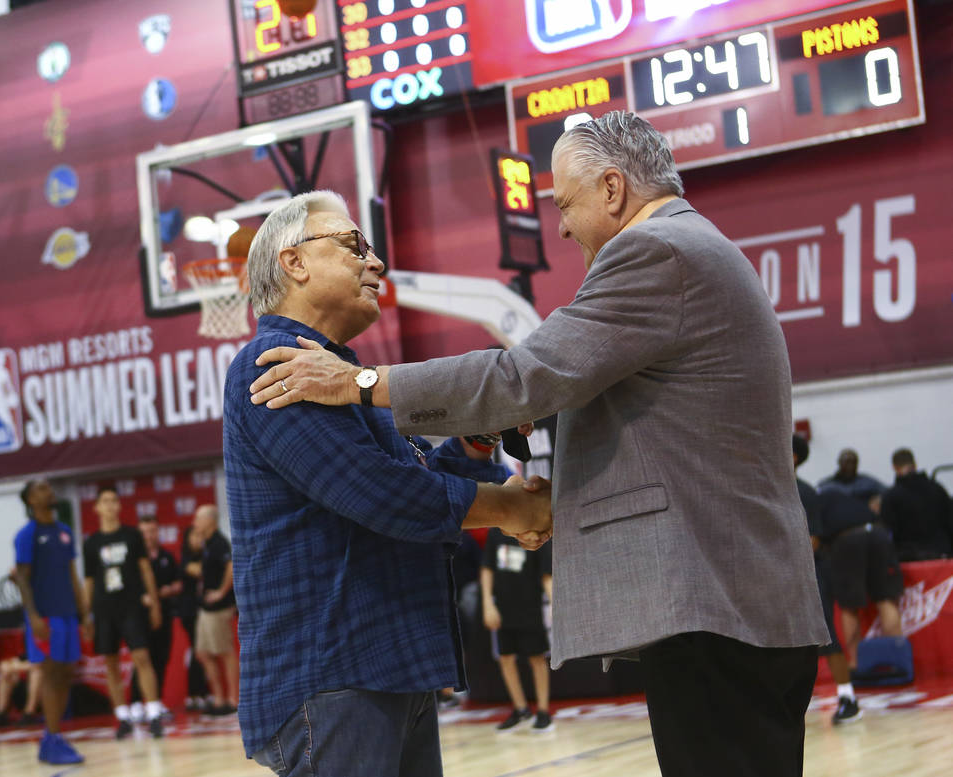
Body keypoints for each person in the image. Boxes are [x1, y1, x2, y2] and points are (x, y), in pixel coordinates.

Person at [249, 113, 830, 777]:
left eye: (565, 204)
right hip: (738, 600)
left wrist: (364, 382)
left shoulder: (657, 251)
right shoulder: (276, 367)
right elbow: (391, 483)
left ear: (612, 189)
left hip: (716, 605)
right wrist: (499, 468)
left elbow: (522, 378)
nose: (559, 226)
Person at [223, 190, 552, 776]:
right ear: (293, 262)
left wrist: (479, 439)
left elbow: (416, 479)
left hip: (386, 669)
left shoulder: (340, 375)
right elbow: (381, 495)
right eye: (354, 245)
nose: (375, 263)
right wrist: (509, 505)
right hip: (332, 677)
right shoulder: (272, 363)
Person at [13, 479, 87, 764]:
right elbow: (22, 578)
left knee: (66, 673)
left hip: (68, 613)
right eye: (42, 489)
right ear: (31, 500)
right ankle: (53, 737)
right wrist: (33, 616)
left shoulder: (64, 531)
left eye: (49, 488)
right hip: (46, 615)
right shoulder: (27, 534)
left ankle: (51, 739)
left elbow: (72, 574)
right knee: (51, 673)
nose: (50, 492)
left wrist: (84, 613)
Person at [82, 486, 165, 738]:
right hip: (104, 609)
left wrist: (155, 603)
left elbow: (146, 570)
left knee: (141, 657)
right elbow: (88, 582)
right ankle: (122, 717)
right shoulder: (92, 543)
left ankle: (153, 713)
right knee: (111, 663)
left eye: (113, 500)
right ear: (96, 508)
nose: (109, 505)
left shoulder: (131, 536)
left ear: (119, 506)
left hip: (131, 606)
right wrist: (86, 615)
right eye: (104, 501)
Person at [793, 435, 861, 725]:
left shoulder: (805, 492)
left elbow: (814, 541)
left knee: (827, 637)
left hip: (811, 574)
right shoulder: (767, 489)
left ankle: (848, 698)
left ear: (794, 457)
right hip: (784, 577)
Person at [817, 486, 904, 670]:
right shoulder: (850, 498)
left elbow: (815, 539)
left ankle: (856, 663)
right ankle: (898, 660)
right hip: (879, 533)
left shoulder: (816, 503)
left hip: (848, 539)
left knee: (849, 606)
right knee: (885, 600)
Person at [481, 527, 554, 732]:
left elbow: (546, 574)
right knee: (505, 658)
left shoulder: (535, 530)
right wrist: (487, 603)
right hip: (502, 607)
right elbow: (487, 568)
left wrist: (554, 603)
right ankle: (521, 709)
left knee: (536, 658)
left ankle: (543, 711)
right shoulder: (496, 532)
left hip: (529, 607)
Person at [187, 505, 238, 715]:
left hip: (219, 608)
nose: (194, 522)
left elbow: (231, 566)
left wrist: (221, 591)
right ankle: (218, 699)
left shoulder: (219, 542)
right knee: (202, 653)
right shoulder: (206, 544)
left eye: (198, 518)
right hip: (205, 608)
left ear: (210, 521)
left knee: (225, 652)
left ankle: (233, 700)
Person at [130, 514, 181, 714]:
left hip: (165, 613)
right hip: (140, 616)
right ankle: (136, 702)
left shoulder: (166, 557)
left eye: (152, 531)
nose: (149, 536)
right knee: (142, 657)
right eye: (144, 532)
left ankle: (156, 701)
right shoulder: (134, 560)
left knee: (161, 656)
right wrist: (143, 597)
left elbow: (179, 582)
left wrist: (170, 590)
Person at [881, 448, 953, 561]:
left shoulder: (891, 497)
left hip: (911, 560)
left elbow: (888, 534)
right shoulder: (937, 488)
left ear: (894, 467)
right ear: (915, 464)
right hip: (943, 554)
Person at [177, 526, 210, 711]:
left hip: (203, 609)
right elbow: (198, 571)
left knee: (202, 651)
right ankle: (194, 694)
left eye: (200, 534)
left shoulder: (205, 555)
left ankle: (201, 692)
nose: (199, 539)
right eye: (195, 535)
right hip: (189, 611)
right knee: (198, 650)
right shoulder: (186, 558)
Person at [818, 448, 886, 512]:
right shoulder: (826, 485)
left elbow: (888, 494)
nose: (850, 466)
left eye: (854, 462)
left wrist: (878, 500)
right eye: (847, 462)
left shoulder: (867, 482)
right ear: (839, 462)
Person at [0, 654, 42, 727]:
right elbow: (4, 665)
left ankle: (29, 714)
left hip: (41, 693)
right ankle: (0, 714)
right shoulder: (23, 651)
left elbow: (41, 665)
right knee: (7, 674)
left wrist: (15, 667)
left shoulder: (41, 648)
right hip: (21, 689)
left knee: (37, 673)